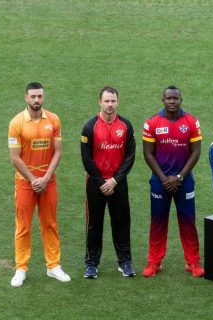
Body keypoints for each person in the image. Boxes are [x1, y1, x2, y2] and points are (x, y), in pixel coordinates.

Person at [8, 82, 71, 287]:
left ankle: (53, 266)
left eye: (40, 96)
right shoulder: (16, 123)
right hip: (25, 184)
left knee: (50, 224)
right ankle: (21, 268)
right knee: (23, 227)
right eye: (33, 96)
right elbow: (15, 158)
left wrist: (45, 178)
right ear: (26, 97)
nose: (37, 100)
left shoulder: (53, 120)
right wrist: (34, 179)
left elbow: (58, 151)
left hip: (48, 183)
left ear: (44, 97)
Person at [142, 85, 204, 278]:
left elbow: (196, 152)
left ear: (180, 100)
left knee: (188, 221)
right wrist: (164, 179)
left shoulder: (192, 122)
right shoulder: (152, 123)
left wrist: (178, 177)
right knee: (158, 221)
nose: (172, 101)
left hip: (184, 181)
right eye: (168, 98)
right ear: (162, 100)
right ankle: (154, 262)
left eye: (175, 98)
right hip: (159, 181)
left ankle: (193, 262)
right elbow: (147, 154)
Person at [80, 86, 136, 279]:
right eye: (106, 101)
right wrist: (102, 182)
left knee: (122, 222)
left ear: (117, 102)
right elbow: (86, 159)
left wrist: (114, 180)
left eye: (113, 101)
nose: (110, 105)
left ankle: (125, 262)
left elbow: (130, 157)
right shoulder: (89, 127)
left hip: (118, 184)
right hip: (96, 185)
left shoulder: (126, 126)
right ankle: (91, 264)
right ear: (100, 102)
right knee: (94, 224)